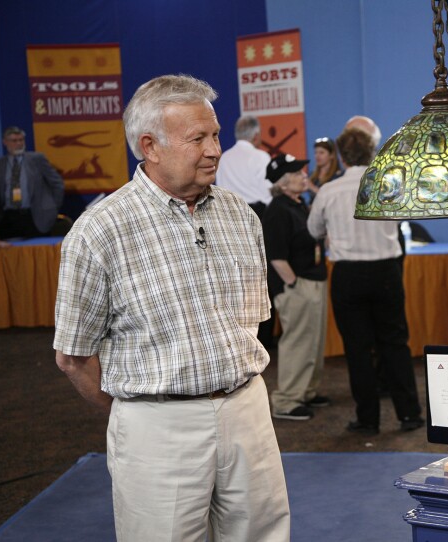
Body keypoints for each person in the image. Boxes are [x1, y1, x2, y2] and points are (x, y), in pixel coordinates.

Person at [53, 74, 290, 541]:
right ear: (150, 147)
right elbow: (72, 358)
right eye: (198, 138)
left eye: (216, 135)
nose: (214, 150)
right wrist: (138, 414)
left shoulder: (241, 216)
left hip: (249, 412)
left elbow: (252, 324)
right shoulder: (99, 230)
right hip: (156, 427)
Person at [307, 127, 423, 436]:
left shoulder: (329, 191)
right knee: (395, 344)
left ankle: (368, 419)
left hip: (348, 275)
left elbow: (313, 229)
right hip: (386, 271)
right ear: (373, 153)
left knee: (357, 349)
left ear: (341, 157)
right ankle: (409, 414)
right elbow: (403, 220)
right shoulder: (388, 183)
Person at [262, 154, 330, 421]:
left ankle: (306, 391)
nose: (305, 175)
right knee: (298, 343)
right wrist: (294, 284)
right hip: (298, 285)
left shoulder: (298, 204)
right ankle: (287, 400)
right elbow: (276, 256)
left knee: (312, 342)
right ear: (283, 182)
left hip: (313, 280)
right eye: (298, 173)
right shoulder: (277, 210)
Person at [0, 126, 64, 240]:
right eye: (14, 141)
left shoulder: (37, 159)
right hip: (7, 218)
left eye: (21, 140)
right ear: (5, 142)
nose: (19, 143)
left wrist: (52, 209)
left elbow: (57, 184)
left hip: (35, 216)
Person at [215, 114, 273, 216]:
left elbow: (219, 188)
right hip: (258, 215)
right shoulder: (261, 157)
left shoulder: (224, 158)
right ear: (256, 135)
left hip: (230, 215)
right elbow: (268, 192)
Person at [304, 137, 343, 203]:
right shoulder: (311, 175)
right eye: (316, 152)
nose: (317, 156)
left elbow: (335, 199)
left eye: (321, 153)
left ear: (332, 155)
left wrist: (313, 188)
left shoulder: (338, 176)